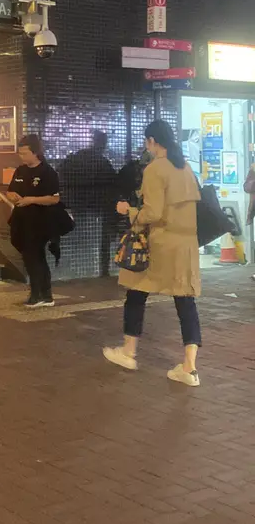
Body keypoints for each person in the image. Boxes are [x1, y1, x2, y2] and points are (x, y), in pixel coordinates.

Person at [103, 119, 202, 387]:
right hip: (186, 244)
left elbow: (153, 212)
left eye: (146, 142)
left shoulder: (155, 168)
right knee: (185, 301)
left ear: (152, 141)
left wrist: (128, 211)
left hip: (161, 243)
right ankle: (190, 367)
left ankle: (128, 352)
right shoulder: (185, 167)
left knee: (136, 293)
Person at [7, 134, 61, 309]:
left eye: (25, 153)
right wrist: (12, 196)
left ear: (35, 152)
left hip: (40, 222)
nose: (21, 157)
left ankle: (37, 294)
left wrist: (31, 200)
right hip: (21, 220)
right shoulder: (20, 171)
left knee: (34, 256)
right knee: (32, 256)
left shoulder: (48, 172)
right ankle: (45, 295)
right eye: (20, 153)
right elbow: (10, 190)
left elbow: (54, 199)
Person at [62, 130, 117, 276]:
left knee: (79, 239)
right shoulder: (102, 163)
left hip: (77, 206)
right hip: (97, 209)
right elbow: (112, 185)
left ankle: (77, 270)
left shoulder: (75, 158)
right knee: (98, 241)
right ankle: (99, 271)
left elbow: (61, 175)